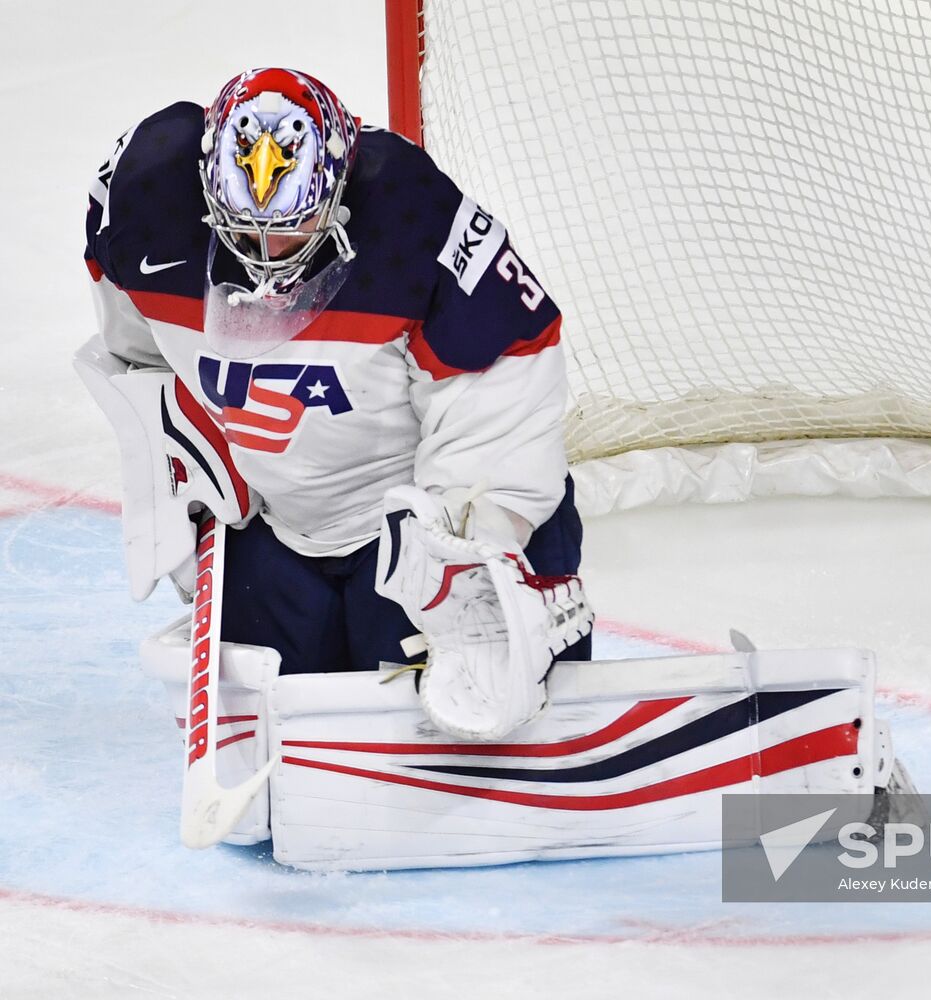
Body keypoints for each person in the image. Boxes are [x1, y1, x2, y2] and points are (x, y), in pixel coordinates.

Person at [80, 67, 591, 741]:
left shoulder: (415, 217)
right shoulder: (143, 202)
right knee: (279, 714)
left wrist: (472, 553)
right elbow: (138, 354)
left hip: (418, 521)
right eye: (241, 229)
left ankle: (507, 599)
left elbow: (505, 377)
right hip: (280, 524)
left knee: (474, 700)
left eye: (295, 229)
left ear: (340, 186)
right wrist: (181, 465)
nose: (268, 261)